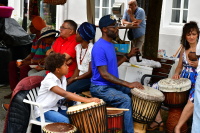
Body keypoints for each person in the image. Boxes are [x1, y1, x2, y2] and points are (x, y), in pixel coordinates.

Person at [90, 14, 144, 133]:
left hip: (111, 85)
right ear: (104, 29)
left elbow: (112, 66)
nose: (117, 29)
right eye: (114, 26)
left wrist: (127, 56)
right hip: (100, 88)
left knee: (138, 92)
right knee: (125, 99)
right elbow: (104, 74)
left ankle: (138, 125)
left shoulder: (110, 44)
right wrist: (127, 84)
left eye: (117, 26)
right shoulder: (99, 47)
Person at [147, 21, 199, 132]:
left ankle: (178, 127)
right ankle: (158, 119)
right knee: (154, 88)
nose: (191, 37)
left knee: (192, 101)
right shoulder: (183, 50)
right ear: (185, 36)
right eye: (188, 34)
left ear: (198, 34)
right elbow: (179, 67)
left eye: (193, 34)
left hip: (197, 80)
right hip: (183, 79)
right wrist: (176, 74)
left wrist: (198, 65)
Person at [35, 53, 100, 123]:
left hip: (56, 108)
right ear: (58, 70)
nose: (68, 67)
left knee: (78, 116)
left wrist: (69, 99)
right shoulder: (49, 80)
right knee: (66, 121)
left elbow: (62, 97)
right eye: (65, 65)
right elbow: (64, 94)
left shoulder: (62, 78)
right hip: (44, 111)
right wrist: (88, 100)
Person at [4, 16, 47, 99]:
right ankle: (14, 91)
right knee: (12, 64)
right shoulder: (35, 39)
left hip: (39, 64)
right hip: (32, 61)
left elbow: (45, 58)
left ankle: (22, 92)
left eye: (31, 26)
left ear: (37, 27)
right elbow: (31, 54)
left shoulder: (45, 40)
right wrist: (24, 60)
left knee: (23, 68)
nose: (29, 28)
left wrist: (29, 62)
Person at [67, 22, 96, 93]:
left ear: (82, 36)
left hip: (88, 79)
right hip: (79, 77)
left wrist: (74, 79)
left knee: (68, 90)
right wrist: (73, 78)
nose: (75, 36)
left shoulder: (92, 49)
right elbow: (78, 67)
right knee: (61, 86)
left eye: (77, 34)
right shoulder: (78, 47)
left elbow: (90, 73)